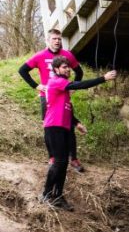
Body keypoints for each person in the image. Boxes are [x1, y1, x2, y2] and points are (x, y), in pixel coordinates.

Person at [41, 57, 116, 210]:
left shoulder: (63, 89)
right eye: (64, 67)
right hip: (53, 127)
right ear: (56, 70)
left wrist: (76, 123)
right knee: (59, 162)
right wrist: (103, 78)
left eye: (68, 67)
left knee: (62, 163)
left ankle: (58, 196)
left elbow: (65, 109)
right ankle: (46, 194)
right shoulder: (57, 81)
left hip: (63, 127)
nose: (67, 69)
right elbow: (80, 85)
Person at [19, 29, 87, 172]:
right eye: (54, 38)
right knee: (49, 128)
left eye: (59, 39)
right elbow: (23, 70)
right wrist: (37, 86)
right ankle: (52, 157)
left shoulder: (67, 55)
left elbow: (79, 72)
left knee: (69, 126)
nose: (57, 41)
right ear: (48, 40)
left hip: (63, 95)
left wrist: (73, 87)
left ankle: (73, 159)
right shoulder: (40, 56)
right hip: (47, 97)